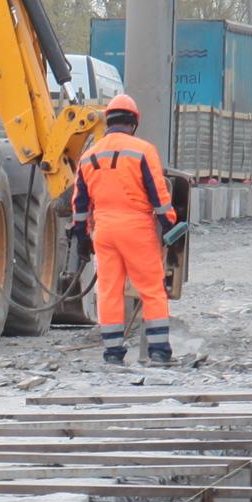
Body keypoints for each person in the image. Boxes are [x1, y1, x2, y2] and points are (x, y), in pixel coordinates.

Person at [70, 92, 182, 365]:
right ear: (133, 122)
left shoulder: (88, 156)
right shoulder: (143, 150)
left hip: (104, 231)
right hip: (137, 228)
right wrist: (171, 225)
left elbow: (79, 204)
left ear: (108, 121)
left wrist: (82, 236)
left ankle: (112, 353)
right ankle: (158, 352)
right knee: (152, 289)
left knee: (109, 290)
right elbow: (158, 194)